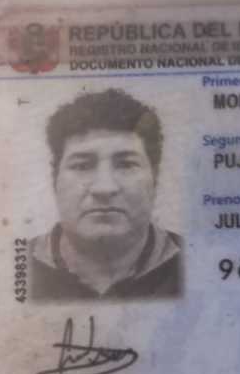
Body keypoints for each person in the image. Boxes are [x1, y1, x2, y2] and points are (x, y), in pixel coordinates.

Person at [28, 88, 182, 301]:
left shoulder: (195, 262)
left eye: (126, 165)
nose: (104, 188)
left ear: (154, 179)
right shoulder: (15, 264)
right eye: (82, 166)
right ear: (55, 180)